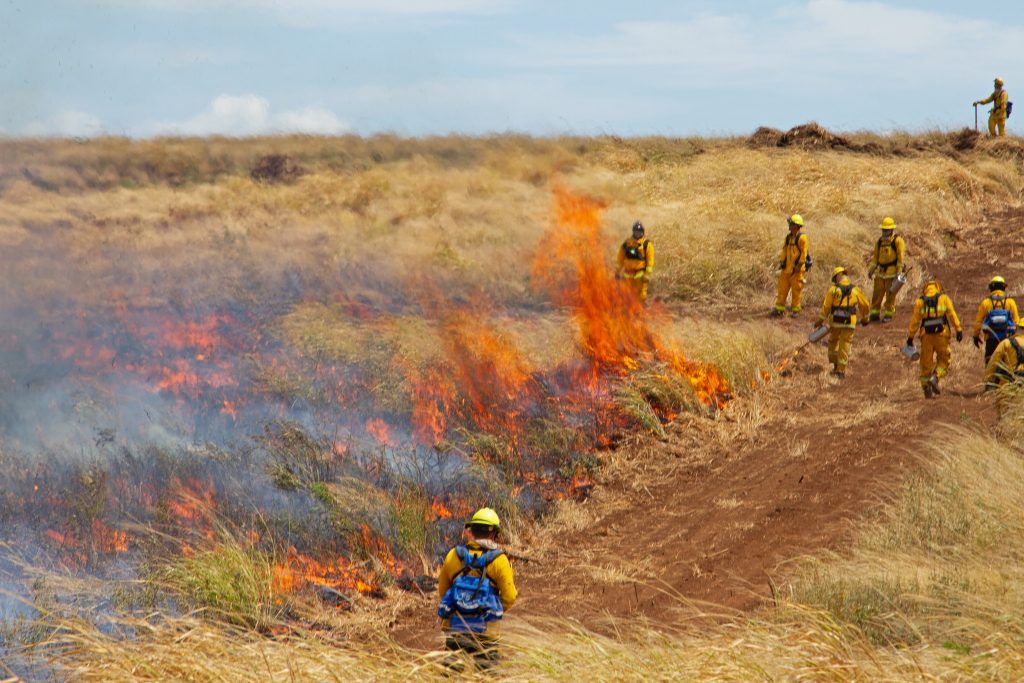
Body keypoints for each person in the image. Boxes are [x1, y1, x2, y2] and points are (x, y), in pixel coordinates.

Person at [437, 507, 518, 671]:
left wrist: (464, 605)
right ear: (494, 533)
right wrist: (489, 610)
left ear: (472, 531)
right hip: (486, 631)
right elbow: (509, 597)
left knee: (451, 675)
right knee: (486, 676)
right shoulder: (500, 560)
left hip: (455, 628)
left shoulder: (453, 555)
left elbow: (443, 591)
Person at [906, 280, 963, 398]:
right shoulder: (944, 298)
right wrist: (958, 330)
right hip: (942, 335)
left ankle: (926, 388)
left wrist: (910, 337)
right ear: (938, 288)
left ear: (925, 289)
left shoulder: (920, 302)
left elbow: (915, 321)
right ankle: (935, 377)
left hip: (926, 336)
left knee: (926, 363)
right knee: (944, 360)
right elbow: (952, 314)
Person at [816, 266, 870, 379]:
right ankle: (841, 371)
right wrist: (865, 319)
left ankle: (835, 365)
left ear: (837, 277)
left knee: (833, 341)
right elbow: (865, 305)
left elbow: (826, 307)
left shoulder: (833, 290)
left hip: (835, 322)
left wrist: (819, 321)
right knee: (845, 345)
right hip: (850, 323)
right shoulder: (855, 290)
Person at [972, 275, 1019, 365]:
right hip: (1007, 340)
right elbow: (1016, 322)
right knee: (1008, 365)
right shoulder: (1010, 302)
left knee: (990, 365)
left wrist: (975, 336)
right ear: (1003, 288)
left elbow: (978, 321)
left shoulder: (986, 303)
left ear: (991, 288)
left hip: (991, 341)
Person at [866, 216, 906, 322]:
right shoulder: (879, 242)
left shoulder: (898, 241)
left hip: (892, 274)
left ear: (891, 230)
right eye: (883, 230)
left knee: (890, 295)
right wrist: (871, 270)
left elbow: (900, 259)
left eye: (886, 230)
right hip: (880, 273)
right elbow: (875, 259)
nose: (884, 232)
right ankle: (875, 313)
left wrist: (899, 273)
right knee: (877, 294)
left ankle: (888, 314)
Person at [772, 214, 810, 318]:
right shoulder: (788, 237)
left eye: (791, 224)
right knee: (782, 290)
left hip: (797, 271)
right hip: (786, 270)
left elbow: (804, 253)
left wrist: (799, 265)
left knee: (796, 291)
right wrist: (782, 262)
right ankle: (779, 309)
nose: (789, 226)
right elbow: (784, 250)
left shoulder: (802, 238)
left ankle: (795, 311)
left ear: (797, 226)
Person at [616, 220, 654, 303]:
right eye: (636, 231)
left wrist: (647, 274)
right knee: (626, 294)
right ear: (633, 231)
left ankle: (640, 306)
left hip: (640, 273)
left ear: (642, 232)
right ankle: (629, 307)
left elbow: (650, 261)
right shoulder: (626, 244)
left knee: (641, 295)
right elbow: (620, 259)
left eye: (639, 232)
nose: (638, 233)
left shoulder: (646, 244)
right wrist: (617, 272)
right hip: (627, 274)